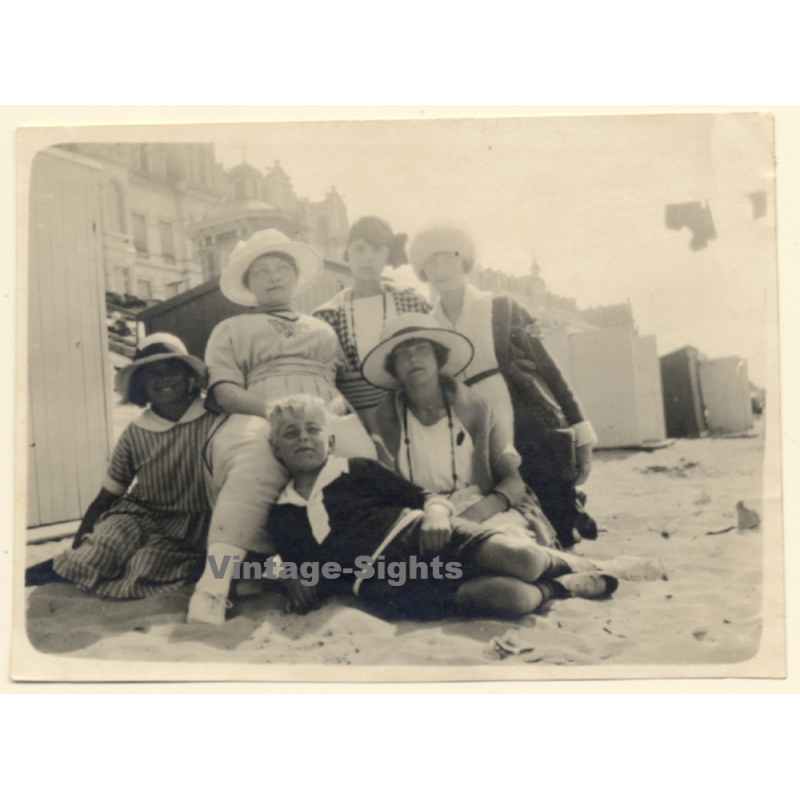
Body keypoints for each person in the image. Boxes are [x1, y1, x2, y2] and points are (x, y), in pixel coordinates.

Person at [264, 395, 617, 621]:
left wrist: (435, 516)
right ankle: (564, 586)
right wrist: (293, 578)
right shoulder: (282, 513)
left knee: (521, 559)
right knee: (506, 598)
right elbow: (297, 565)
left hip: (423, 534)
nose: (304, 438)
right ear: (275, 448)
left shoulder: (356, 469)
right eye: (291, 434)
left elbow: (426, 499)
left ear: (330, 440)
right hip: (384, 584)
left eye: (312, 429)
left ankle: (582, 564)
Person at [187, 229, 375, 625]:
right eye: (262, 272)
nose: (273, 278)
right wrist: (274, 413)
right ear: (249, 284)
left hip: (324, 410)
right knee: (255, 458)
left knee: (363, 460)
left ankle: (368, 569)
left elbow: (342, 381)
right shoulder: (231, 328)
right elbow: (223, 389)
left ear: (294, 278)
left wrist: (340, 415)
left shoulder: (323, 328)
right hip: (258, 411)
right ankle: (213, 587)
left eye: (281, 270)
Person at [409, 226, 598, 548]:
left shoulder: (501, 307)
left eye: (448, 259)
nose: (441, 270)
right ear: (421, 270)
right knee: (505, 503)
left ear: (464, 260)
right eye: (431, 263)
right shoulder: (428, 325)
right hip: (472, 426)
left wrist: (582, 431)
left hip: (523, 413)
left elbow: (549, 369)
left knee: (553, 501)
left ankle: (569, 519)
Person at [26, 334, 218, 599]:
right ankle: (22, 576)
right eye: (152, 373)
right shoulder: (137, 431)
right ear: (140, 384)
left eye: (171, 370)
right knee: (93, 555)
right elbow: (108, 495)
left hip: (191, 523)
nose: (163, 379)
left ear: (188, 376)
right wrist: (78, 547)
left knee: (145, 568)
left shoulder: (214, 419)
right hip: (138, 514)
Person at [361, 314, 558, 547]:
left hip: (481, 511)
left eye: (422, 348)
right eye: (402, 353)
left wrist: (471, 517)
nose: (413, 357)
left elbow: (514, 483)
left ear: (437, 356)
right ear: (393, 367)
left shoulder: (477, 409)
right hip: (420, 519)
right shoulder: (380, 421)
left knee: (510, 553)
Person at [312, 217, 431, 418]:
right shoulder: (327, 316)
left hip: (414, 411)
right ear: (347, 254)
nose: (368, 257)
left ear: (388, 255)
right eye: (359, 249)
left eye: (377, 250)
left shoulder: (411, 303)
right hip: (356, 416)